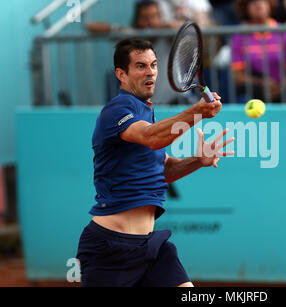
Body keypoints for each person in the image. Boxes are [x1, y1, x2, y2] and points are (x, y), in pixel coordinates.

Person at [76, 38, 234, 287]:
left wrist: (198, 161)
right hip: (110, 249)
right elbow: (151, 138)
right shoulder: (117, 110)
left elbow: (163, 170)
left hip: (151, 247)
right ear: (121, 74)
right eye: (140, 66)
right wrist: (198, 112)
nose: (150, 71)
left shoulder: (145, 111)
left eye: (153, 64)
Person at [231, 0, 286, 103]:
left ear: (270, 5)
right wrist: (261, 83)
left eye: (263, 1)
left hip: (285, 92)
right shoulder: (239, 37)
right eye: (253, 2)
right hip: (254, 94)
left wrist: (280, 89)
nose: (258, 5)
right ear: (246, 7)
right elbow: (237, 76)